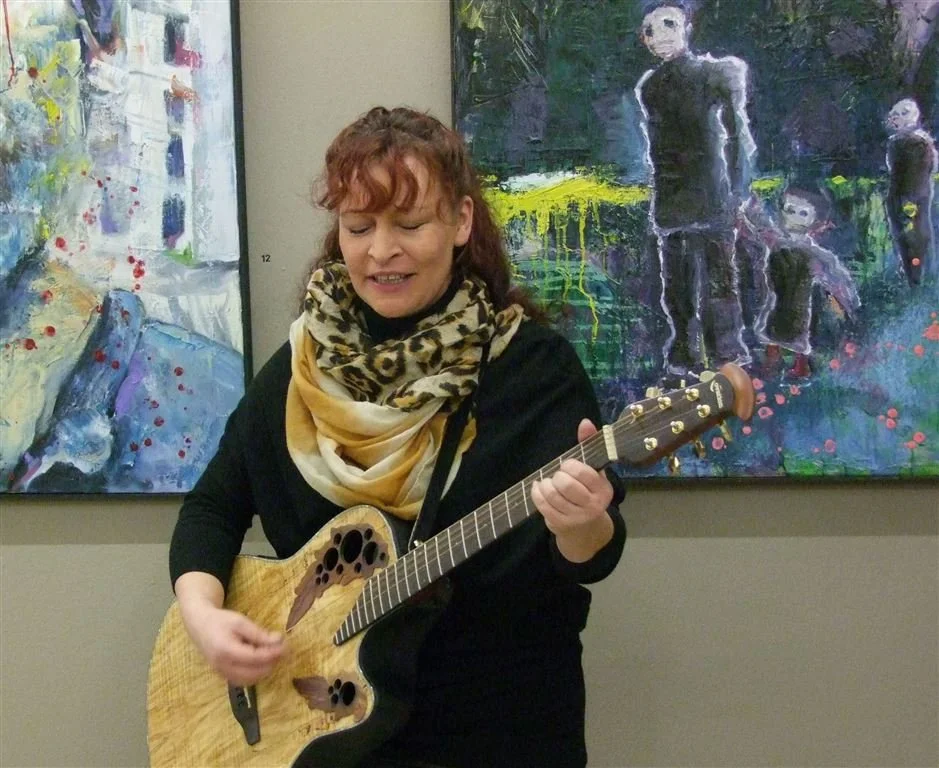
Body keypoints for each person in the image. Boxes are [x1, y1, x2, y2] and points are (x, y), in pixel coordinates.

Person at [168, 106, 627, 767]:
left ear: (461, 222)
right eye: (359, 227)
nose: (380, 251)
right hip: (323, 734)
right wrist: (204, 616)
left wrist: (582, 524)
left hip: (499, 730)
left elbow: (590, 555)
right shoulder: (303, 366)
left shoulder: (530, 367)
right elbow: (213, 506)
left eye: (409, 225)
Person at [635, 0, 756, 382]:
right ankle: (684, 354)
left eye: (669, 25)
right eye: (651, 30)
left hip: (712, 193)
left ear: (688, 27)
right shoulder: (650, 87)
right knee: (677, 285)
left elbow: (738, 135)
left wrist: (739, 188)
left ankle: (727, 353)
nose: (660, 36)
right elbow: (657, 148)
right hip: (671, 198)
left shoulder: (715, 74)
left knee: (720, 279)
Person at [741, 186, 860, 378]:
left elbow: (834, 273)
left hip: (800, 303)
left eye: (803, 213)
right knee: (770, 326)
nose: (794, 218)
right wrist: (752, 205)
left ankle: (801, 367)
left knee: (799, 333)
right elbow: (759, 225)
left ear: (817, 221)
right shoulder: (777, 241)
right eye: (790, 210)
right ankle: (772, 362)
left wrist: (844, 299)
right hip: (777, 297)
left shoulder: (813, 252)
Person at [884, 98, 938, 287]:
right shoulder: (924, 142)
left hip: (904, 196)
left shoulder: (900, 143)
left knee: (908, 239)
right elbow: (932, 168)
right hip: (917, 196)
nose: (895, 119)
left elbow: (892, 168)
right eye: (894, 115)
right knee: (917, 236)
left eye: (899, 115)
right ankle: (919, 277)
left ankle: (914, 278)